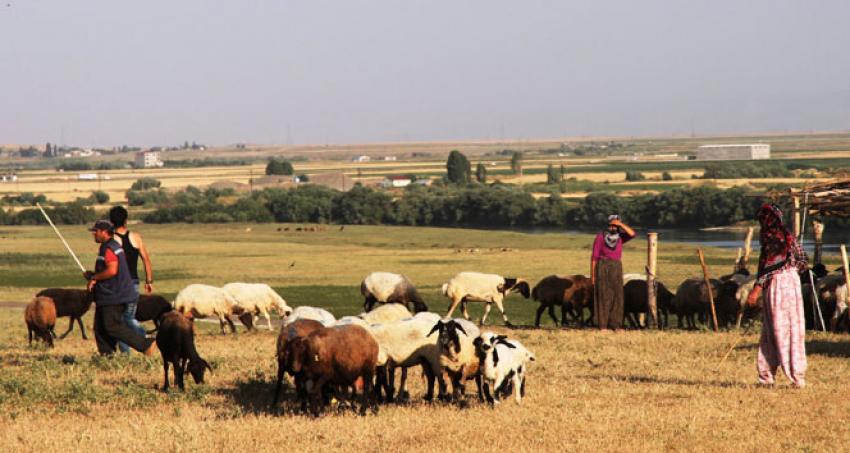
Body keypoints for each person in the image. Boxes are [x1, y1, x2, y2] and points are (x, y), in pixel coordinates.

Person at [746, 203, 807, 388]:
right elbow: (803, 261)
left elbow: (768, 266)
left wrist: (756, 289)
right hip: (793, 284)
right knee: (793, 329)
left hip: (778, 286)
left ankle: (768, 376)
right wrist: (792, 271)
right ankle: (796, 376)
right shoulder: (788, 236)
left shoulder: (771, 237)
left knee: (775, 329)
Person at [84, 219, 155, 356]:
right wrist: (94, 274)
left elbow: (112, 270)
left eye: (96, 231)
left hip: (113, 295)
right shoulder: (114, 245)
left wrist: (94, 278)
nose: (94, 234)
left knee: (112, 326)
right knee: (100, 328)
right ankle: (107, 356)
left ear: (104, 232)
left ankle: (145, 344)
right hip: (112, 294)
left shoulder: (108, 248)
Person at [109, 206, 154, 354]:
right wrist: (149, 281)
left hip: (119, 285)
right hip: (134, 283)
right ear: (126, 220)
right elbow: (146, 259)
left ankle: (146, 340)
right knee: (128, 317)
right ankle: (137, 346)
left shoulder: (111, 240)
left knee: (123, 320)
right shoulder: (136, 237)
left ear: (111, 221)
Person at [590, 215, 636, 331]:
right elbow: (594, 257)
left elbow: (632, 234)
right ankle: (603, 326)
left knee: (617, 295)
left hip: (616, 266)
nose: (613, 227)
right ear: (608, 225)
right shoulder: (600, 237)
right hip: (603, 266)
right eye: (611, 225)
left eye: (615, 225)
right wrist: (593, 275)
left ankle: (615, 325)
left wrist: (621, 224)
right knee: (603, 296)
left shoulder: (620, 237)